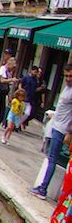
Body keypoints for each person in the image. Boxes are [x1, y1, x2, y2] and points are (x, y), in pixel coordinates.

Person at [30, 66, 72, 199]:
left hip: (62, 129)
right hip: (56, 126)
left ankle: (43, 189)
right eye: (66, 76)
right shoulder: (67, 88)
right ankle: (42, 187)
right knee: (49, 157)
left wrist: (69, 132)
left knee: (52, 159)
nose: (68, 79)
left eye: (70, 76)